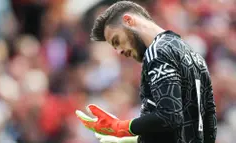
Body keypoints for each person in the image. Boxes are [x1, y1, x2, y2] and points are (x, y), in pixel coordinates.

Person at [76, 1, 217, 143]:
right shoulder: (187, 51)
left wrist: (120, 127)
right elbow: (196, 121)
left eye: (117, 41)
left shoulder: (157, 51)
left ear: (129, 21)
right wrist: (131, 140)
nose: (119, 51)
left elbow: (170, 115)